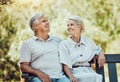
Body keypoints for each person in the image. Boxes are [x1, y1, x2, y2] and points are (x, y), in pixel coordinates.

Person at [20, 13, 70, 82]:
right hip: (38, 78)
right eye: (44, 21)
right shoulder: (27, 44)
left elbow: (66, 58)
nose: (47, 22)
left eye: (47, 21)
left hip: (60, 77)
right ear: (36, 26)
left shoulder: (58, 41)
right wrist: (39, 73)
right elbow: (23, 67)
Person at [59, 15, 106, 82]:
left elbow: (98, 50)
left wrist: (101, 54)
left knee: (95, 76)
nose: (69, 27)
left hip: (88, 71)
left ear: (79, 26)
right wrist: (71, 77)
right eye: (68, 25)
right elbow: (65, 64)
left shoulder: (88, 42)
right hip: (74, 73)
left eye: (72, 25)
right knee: (91, 77)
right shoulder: (64, 44)